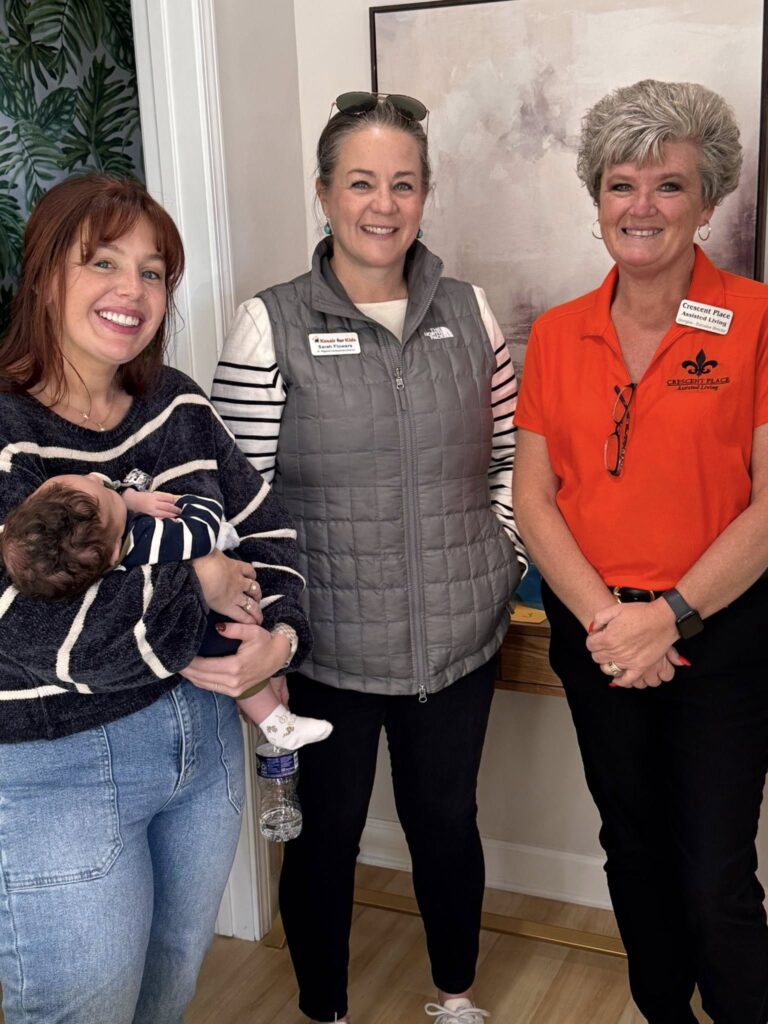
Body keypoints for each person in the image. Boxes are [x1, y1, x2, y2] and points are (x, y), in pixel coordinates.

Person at [211, 91, 524, 1024]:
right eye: (360, 183)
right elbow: (237, 501)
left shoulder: (470, 311)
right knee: (326, 838)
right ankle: (326, 1010)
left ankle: (456, 997)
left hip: (456, 639)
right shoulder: (268, 322)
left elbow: (512, 456)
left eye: (403, 183)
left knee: (447, 824)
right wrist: (267, 628)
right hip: (326, 646)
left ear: (425, 193)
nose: (382, 205)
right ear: (324, 193)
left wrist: (500, 552)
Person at [0, 173, 312, 1024]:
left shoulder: (175, 402)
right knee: (83, 1009)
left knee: (168, 990)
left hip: (203, 749)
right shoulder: (8, 431)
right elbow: (39, 632)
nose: (132, 291)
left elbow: (269, 526)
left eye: (152, 271)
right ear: (44, 274)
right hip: (55, 770)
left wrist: (279, 639)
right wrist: (202, 580)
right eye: (102, 261)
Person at [513, 79, 768, 1024]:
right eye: (621, 184)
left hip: (722, 639)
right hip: (598, 637)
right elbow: (533, 499)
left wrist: (671, 617)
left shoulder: (757, 320)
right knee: (633, 850)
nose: (642, 206)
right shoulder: (555, 333)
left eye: (670, 185)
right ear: (597, 200)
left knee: (715, 872)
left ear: (709, 202)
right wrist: (611, 624)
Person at [0, 473, 331, 750]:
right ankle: (278, 724)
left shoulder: (92, 549)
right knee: (239, 664)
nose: (97, 478)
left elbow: (99, 491)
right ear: (115, 551)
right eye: (107, 492)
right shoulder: (145, 539)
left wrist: (126, 498)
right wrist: (191, 502)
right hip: (208, 627)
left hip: (197, 629)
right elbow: (200, 532)